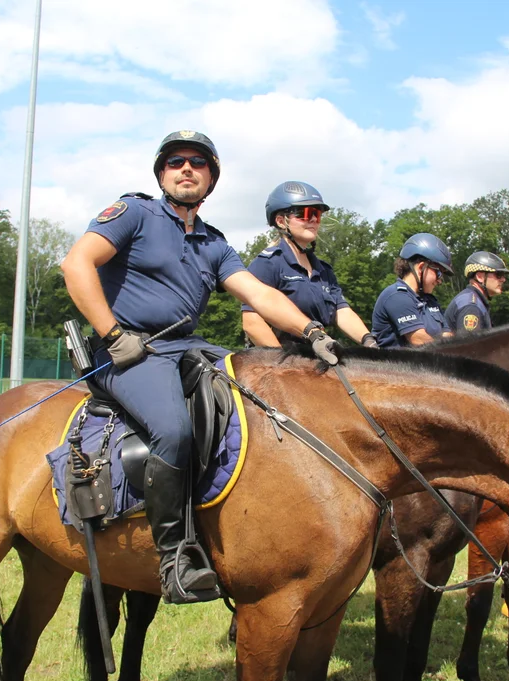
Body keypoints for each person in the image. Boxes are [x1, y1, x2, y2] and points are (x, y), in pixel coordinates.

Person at [60, 130, 340, 605]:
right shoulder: (134, 214)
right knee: (173, 430)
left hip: (186, 347)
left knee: (262, 389)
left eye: (197, 162)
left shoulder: (214, 242)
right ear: (162, 174)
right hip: (129, 351)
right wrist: (112, 334)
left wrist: (313, 333)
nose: (185, 168)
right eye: (175, 162)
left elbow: (260, 295)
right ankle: (175, 558)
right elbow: (76, 264)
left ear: (210, 178)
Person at [242, 181, 377, 348]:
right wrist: (282, 365)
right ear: (281, 221)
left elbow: (341, 312)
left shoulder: (324, 270)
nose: (313, 219)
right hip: (277, 359)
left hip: (318, 353)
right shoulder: (267, 264)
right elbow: (251, 322)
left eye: (317, 214)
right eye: (304, 213)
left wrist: (369, 341)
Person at [371, 233, 454, 347]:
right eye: (438, 273)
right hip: (397, 364)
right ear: (421, 267)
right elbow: (419, 340)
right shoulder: (396, 297)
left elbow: (447, 334)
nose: (439, 281)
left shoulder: (430, 300)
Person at [444, 251, 509, 334]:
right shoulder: (471, 306)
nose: (503, 279)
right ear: (480, 277)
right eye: (499, 274)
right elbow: (469, 345)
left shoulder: (474, 301)